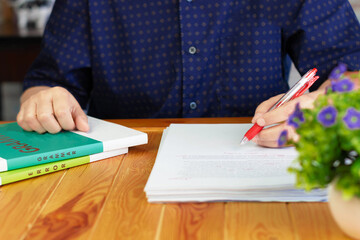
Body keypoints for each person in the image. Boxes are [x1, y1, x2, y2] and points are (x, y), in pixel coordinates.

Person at [17, 0, 360, 148]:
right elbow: (47, 84)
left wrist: (326, 106)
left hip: (259, 160)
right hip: (119, 180)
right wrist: (44, 100)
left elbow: (354, 72)